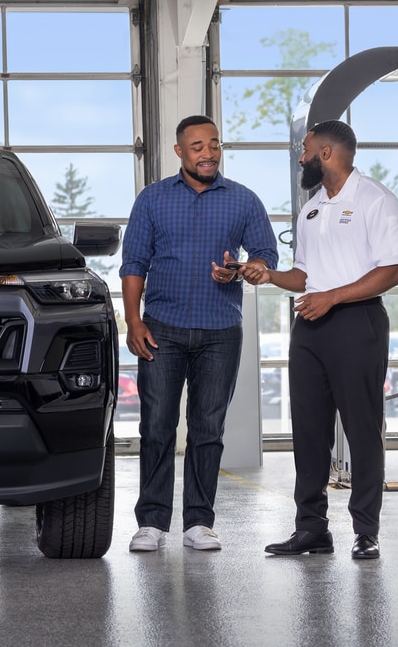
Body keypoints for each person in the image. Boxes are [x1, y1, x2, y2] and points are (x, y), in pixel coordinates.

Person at [243, 119, 398, 560]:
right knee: (309, 432)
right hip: (310, 329)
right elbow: (303, 276)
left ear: (327, 153)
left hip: (358, 324)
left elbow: (393, 269)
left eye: (306, 149)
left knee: (362, 429)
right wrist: (268, 275)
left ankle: (366, 530)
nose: (301, 156)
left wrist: (333, 297)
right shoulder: (311, 208)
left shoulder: (376, 200)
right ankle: (312, 529)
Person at [121, 115, 278, 552]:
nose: (208, 153)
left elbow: (265, 254)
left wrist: (242, 271)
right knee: (156, 426)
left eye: (214, 144)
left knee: (208, 429)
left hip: (220, 333)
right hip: (161, 331)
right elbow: (133, 263)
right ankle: (151, 522)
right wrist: (133, 321)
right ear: (179, 152)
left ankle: (199, 522)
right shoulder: (152, 200)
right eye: (197, 146)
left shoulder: (244, 201)